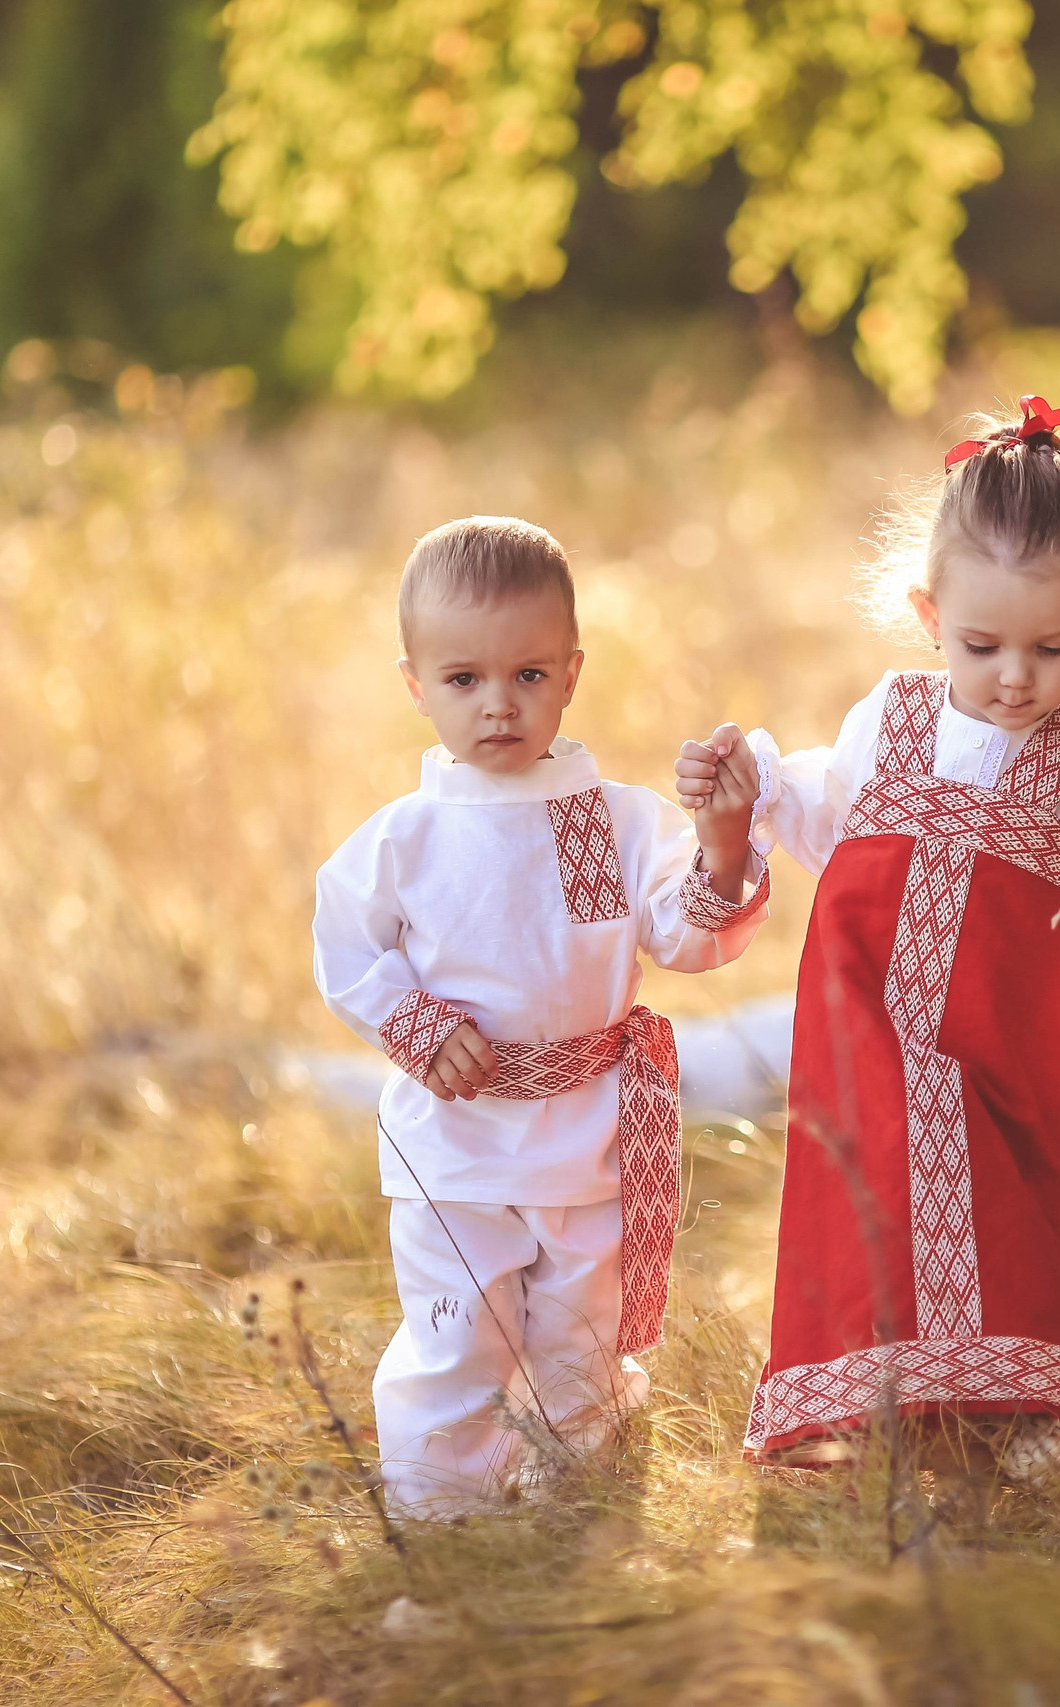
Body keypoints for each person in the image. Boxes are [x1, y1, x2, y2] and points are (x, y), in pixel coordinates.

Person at [676, 396, 1060, 1487]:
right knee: (868, 1196)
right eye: (983, 644)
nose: (1015, 675)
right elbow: (832, 814)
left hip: (995, 1040)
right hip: (868, 1022)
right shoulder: (893, 719)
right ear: (928, 614)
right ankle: (881, 1403)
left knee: (1004, 1199)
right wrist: (745, 794)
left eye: (1050, 647)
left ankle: (1017, 1403)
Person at [315, 516, 766, 1513]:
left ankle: (575, 1501)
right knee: (458, 1337)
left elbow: (685, 936)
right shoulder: (406, 840)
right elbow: (347, 948)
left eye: (527, 677)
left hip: (587, 1136)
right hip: (459, 1149)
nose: (497, 705)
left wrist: (723, 851)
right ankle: (446, 1512)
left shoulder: (609, 819)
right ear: (415, 684)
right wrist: (417, 1024)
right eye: (463, 679)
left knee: (578, 1334)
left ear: (569, 673)